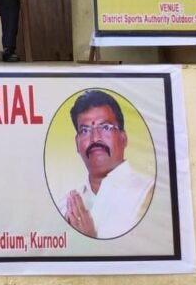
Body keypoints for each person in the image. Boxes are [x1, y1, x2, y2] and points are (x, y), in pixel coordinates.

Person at [59, 90, 153, 239]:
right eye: (85, 130)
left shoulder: (147, 194)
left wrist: (88, 240)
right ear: (77, 143)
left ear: (123, 138)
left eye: (105, 128)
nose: (95, 138)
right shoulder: (66, 204)